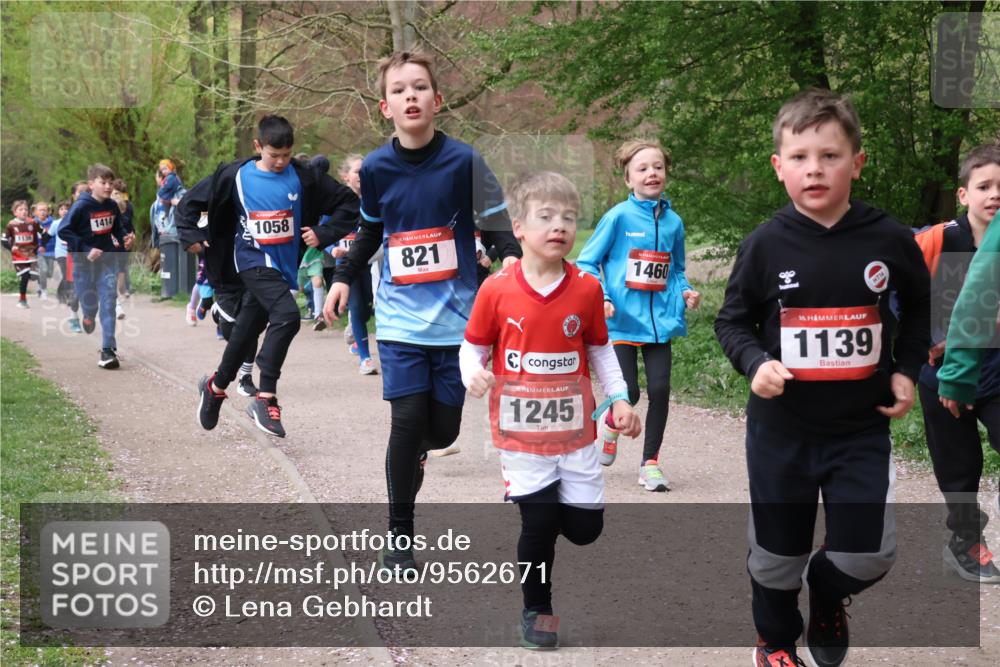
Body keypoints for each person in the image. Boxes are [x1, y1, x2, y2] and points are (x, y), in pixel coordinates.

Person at [714, 89, 930, 667]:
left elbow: (918, 307)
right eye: (802, 156)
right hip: (781, 432)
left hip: (860, 430)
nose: (816, 168)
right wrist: (756, 363)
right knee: (775, 558)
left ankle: (829, 591)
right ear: (778, 166)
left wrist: (907, 372)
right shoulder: (764, 244)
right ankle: (776, 642)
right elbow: (732, 321)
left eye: (830, 155)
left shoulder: (889, 240)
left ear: (856, 163)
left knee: (868, 556)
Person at [322, 51, 520, 573]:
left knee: (445, 430)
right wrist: (343, 277)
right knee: (406, 421)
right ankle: (400, 535)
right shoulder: (377, 169)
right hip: (400, 321)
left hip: (459, 324)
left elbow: (498, 228)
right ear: (385, 106)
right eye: (399, 90)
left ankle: (423, 453)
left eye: (419, 87)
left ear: (438, 100)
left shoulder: (466, 162)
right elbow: (369, 232)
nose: (410, 96)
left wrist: (514, 268)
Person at [461, 172, 640, 650]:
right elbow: (472, 348)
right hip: (521, 435)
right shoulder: (496, 289)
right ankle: (537, 609)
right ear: (518, 227)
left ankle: (551, 498)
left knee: (584, 530)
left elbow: (601, 351)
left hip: (577, 432)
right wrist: (471, 374)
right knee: (537, 525)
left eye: (567, 218)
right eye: (545, 217)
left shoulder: (584, 288)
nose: (558, 226)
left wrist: (619, 398)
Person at [178, 114, 359, 437]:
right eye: (273, 155)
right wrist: (191, 235)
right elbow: (189, 203)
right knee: (288, 316)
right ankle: (265, 396)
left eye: (286, 156)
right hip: (249, 259)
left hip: (284, 266)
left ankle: (215, 386)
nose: (279, 162)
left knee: (246, 331)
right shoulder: (234, 176)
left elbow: (349, 203)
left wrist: (323, 231)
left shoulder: (304, 177)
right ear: (258, 146)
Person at [577, 139, 701, 491]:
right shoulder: (618, 217)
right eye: (643, 168)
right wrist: (600, 296)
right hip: (620, 321)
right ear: (628, 178)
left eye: (658, 167)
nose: (652, 174)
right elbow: (586, 262)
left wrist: (686, 291)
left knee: (661, 390)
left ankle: (650, 464)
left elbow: (676, 270)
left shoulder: (674, 222)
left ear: (666, 174)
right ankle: (611, 424)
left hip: (660, 323)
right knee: (628, 391)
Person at [921, 144, 1000, 584]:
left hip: (995, 368)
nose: (994, 195)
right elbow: (895, 292)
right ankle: (966, 543)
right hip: (941, 373)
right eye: (984, 186)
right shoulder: (939, 240)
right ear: (963, 194)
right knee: (960, 465)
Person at [58, 164, 136, 368]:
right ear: (91, 184)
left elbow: (117, 227)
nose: (108, 186)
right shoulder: (81, 206)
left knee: (109, 302)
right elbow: (64, 232)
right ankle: (88, 316)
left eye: (111, 183)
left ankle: (108, 351)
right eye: (103, 183)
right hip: (83, 264)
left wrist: (124, 238)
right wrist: (85, 249)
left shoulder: (111, 206)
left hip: (107, 261)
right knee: (89, 302)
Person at [331, 153, 378, 374]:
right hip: (348, 265)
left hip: (372, 262)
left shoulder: (376, 198)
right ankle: (366, 359)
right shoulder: (338, 203)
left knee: (369, 307)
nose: (362, 176)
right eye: (357, 171)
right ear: (345, 176)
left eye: (365, 171)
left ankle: (355, 327)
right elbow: (323, 232)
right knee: (358, 306)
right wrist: (333, 249)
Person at [47, 200, 82, 332]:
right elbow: (48, 235)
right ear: (58, 212)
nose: (64, 211)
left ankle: (67, 295)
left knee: (74, 280)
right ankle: (68, 298)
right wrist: (41, 246)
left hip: (79, 255)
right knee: (67, 275)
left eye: (66, 208)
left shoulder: (77, 223)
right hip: (61, 253)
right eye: (61, 209)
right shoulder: (56, 224)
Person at [2, 200, 42, 308]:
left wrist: (42, 245)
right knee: (25, 277)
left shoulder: (32, 223)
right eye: (21, 209)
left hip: (32, 255)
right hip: (19, 257)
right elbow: (3, 239)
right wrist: (11, 247)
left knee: (35, 275)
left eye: (25, 209)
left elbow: (42, 233)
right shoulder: (11, 224)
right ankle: (22, 300)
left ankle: (41, 289)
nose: (24, 211)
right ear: (15, 212)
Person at [110, 179, 135, 317]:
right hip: (105, 250)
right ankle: (114, 302)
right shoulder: (101, 209)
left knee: (119, 271)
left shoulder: (127, 207)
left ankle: (117, 302)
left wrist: (130, 236)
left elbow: (127, 226)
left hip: (119, 248)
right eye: (115, 193)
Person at [32, 201, 55, 299]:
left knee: (49, 273)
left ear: (48, 212)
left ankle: (39, 282)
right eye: (40, 210)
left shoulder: (53, 222)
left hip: (51, 251)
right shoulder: (33, 223)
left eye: (45, 210)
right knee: (43, 270)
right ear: (35, 212)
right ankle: (44, 291)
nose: (42, 212)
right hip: (39, 252)